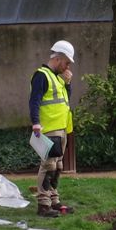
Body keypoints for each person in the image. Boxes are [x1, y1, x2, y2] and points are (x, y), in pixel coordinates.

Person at [29, 39, 75, 217]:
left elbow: (66, 100)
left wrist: (68, 83)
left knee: (58, 166)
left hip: (61, 128)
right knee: (48, 165)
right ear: (57, 59)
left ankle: (54, 200)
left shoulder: (58, 78)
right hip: (48, 129)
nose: (68, 66)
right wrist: (35, 123)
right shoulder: (41, 75)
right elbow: (35, 100)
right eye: (66, 62)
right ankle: (43, 204)